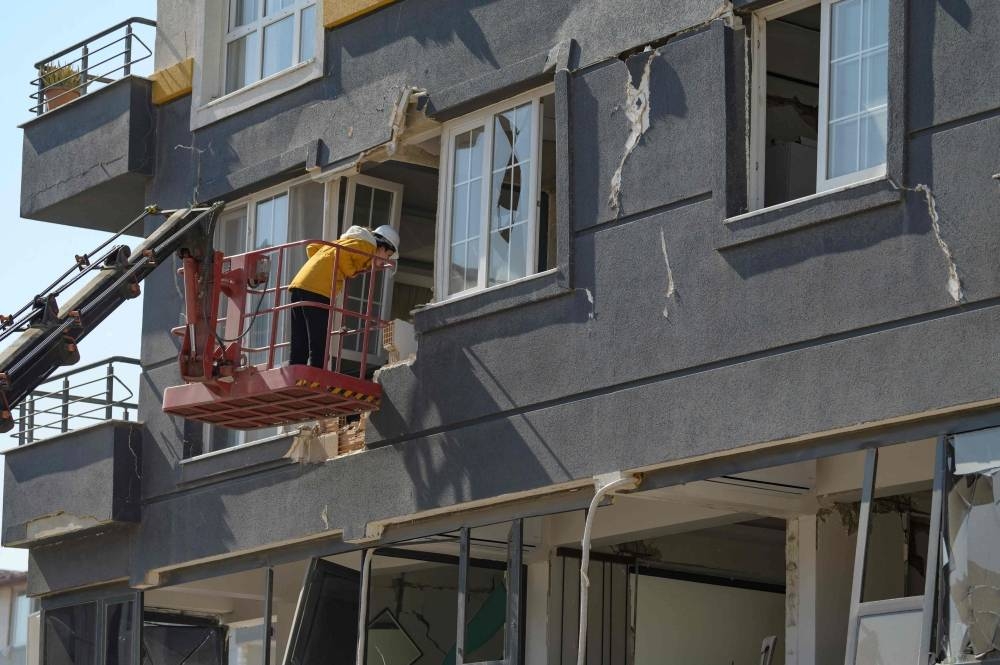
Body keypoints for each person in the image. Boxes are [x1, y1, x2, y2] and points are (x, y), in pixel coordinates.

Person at [287, 224, 399, 368]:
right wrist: (351, 271)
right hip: (318, 289)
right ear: (382, 246)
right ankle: (316, 373)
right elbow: (342, 256)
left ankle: (295, 369)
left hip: (301, 284)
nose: (385, 261)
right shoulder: (367, 246)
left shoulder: (346, 241)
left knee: (300, 335)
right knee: (319, 338)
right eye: (388, 255)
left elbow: (313, 248)